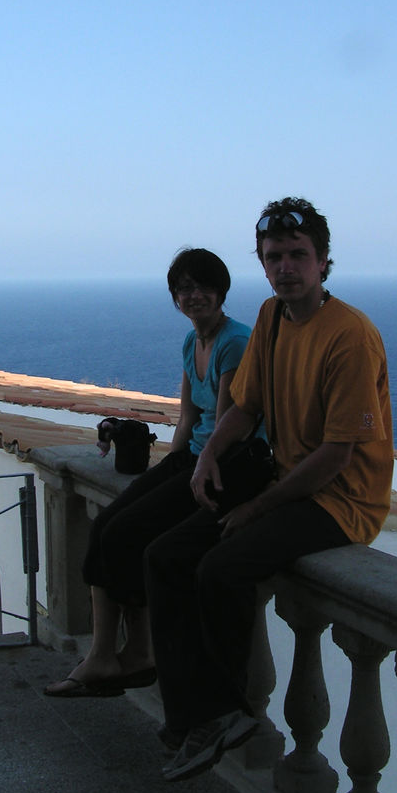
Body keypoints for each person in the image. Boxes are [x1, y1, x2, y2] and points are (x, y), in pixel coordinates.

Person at [144, 197, 394, 781]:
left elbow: (336, 456)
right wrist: (209, 453)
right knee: (164, 556)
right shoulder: (272, 317)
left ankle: (227, 711)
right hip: (287, 482)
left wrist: (256, 506)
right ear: (261, 263)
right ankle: (191, 718)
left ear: (324, 262)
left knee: (220, 568)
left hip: (340, 502)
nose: (286, 267)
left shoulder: (350, 336)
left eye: (298, 255)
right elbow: (247, 404)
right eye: (274, 256)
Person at [44, 248, 252, 697]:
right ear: (174, 296)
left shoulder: (234, 342)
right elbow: (187, 417)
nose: (194, 296)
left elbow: (230, 422)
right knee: (105, 527)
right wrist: (165, 471)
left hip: (220, 465)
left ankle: (125, 655)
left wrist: (182, 475)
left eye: (203, 287)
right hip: (190, 458)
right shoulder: (191, 341)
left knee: (124, 534)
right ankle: (115, 654)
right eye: (184, 288)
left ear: (222, 291)